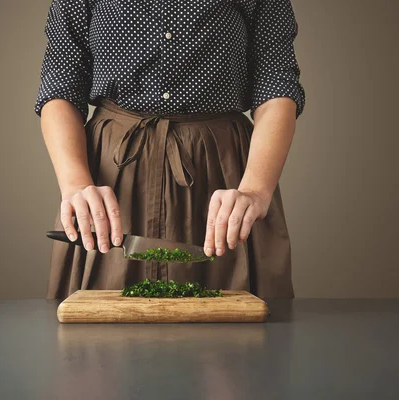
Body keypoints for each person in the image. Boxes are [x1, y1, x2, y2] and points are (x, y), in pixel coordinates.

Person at [34, 0, 305, 300]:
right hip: (108, 181)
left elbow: (277, 85)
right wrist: (75, 184)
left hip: (224, 180)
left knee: (238, 330)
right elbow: (60, 86)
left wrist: (256, 189)